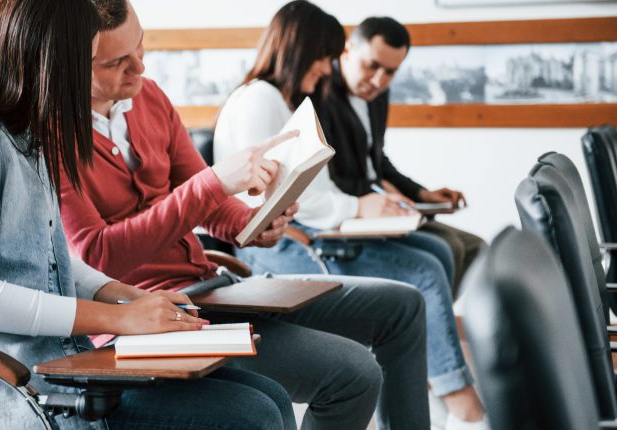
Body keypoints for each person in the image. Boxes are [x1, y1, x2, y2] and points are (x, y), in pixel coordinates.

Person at [0, 1, 295, 429]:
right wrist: (118, 318)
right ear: (47, 59)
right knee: (251, 414)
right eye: (87, 62)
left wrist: (126, 296)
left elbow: (45, 255)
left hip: (45, 367)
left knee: (270, 396)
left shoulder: (19, 133)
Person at [60, 0, 430, 428]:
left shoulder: (150, 99)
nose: (139, 69)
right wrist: (212, 184)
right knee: (353, 372)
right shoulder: (53, 132)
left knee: (402, 305)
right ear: (68, 66)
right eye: (116, 62)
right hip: (152, 312)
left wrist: (255, 224)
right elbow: (96, 257)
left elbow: (208, 203)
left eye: (140, 48)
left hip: (212, 286)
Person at [213, 2, 488, 429]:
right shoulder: (261, 100)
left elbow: (332, 182)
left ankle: (436, 381)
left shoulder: (280, 100)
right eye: (325, 57)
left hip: (315, 227)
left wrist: (386, 201)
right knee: (426, 269)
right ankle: (455, 395)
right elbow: (268, 200)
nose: (327, 69)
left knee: (436, 257)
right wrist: (359, 207)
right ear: (301, 50)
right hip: (291, 243)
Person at [316, 16, 486, 297]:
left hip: (381, 206)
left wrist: (421, 193)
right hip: (348, 212)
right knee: (451, 248)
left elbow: (377, 161)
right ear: (347, 51)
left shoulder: (377, 95)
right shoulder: (319, 94)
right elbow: (329, 179)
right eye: (371, 65)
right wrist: (380, 192)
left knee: (477, 247)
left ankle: (425, 326)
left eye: (390, 72)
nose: (379, 80)